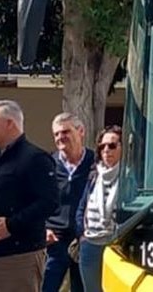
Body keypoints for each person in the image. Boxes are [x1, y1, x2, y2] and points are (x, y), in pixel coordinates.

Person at [0, 100, 59, 292]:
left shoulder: (35, 158)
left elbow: (48, 202)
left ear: (9, 124)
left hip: (18, 258)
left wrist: (12, 225)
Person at [43, 114, 93, 292]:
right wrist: (43, 228)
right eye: (56, 134)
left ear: (81, 132)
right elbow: (35, 199)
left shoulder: (95, 164)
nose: (60, 137)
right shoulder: (47, 164)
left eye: (65, 131)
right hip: (54, 240)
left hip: (84, 239)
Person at [73, 127, 122, 292]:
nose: (106, 150)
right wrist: (82, 235)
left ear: (123, 148)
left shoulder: (130, 177)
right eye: (102, 147)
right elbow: (82, 207)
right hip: (90, 245)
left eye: (112, 145)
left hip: (116, 246)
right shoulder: (94, 175)